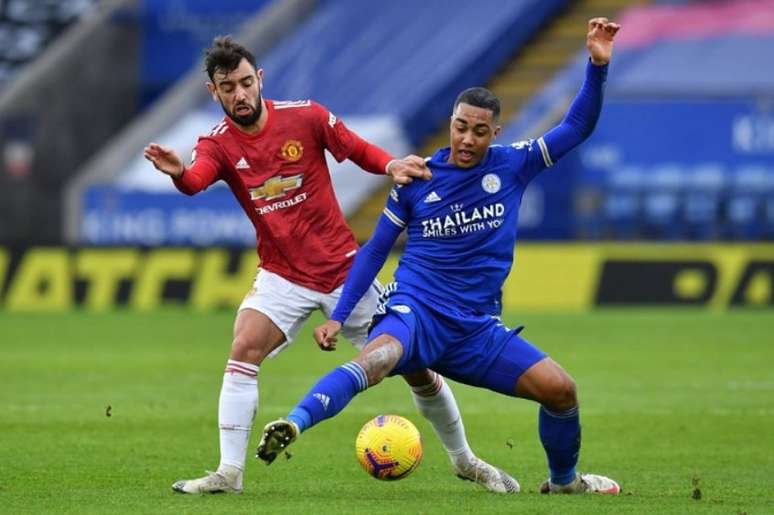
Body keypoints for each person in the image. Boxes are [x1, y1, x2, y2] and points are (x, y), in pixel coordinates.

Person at [257, 18, 622, 495]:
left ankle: (563, 484)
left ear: (495, 132)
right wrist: (338, 316)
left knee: (561, 391)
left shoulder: (515, 164)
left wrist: (596, 65)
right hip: (416, 312)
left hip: (475, 329)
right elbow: (374, 251)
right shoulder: (417, 179)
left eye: (479, 131)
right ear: (451, 122)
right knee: (380, 358)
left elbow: (576, 126)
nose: (467, 140)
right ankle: (295, 423)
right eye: (460, 127)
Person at [144, 36, 518, 495]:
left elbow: (354, 147)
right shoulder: (217, 144)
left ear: (259, 79)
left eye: (245, 82)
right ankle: (229, 473)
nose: (239, 94)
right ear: (214, 92)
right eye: (227, 87)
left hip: (346, 272)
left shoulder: (306, 116)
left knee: (417, 366)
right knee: (243, 347)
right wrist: (180, 173)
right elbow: (197, 180)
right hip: (283, 274)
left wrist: (391, 166)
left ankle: (466, 461)